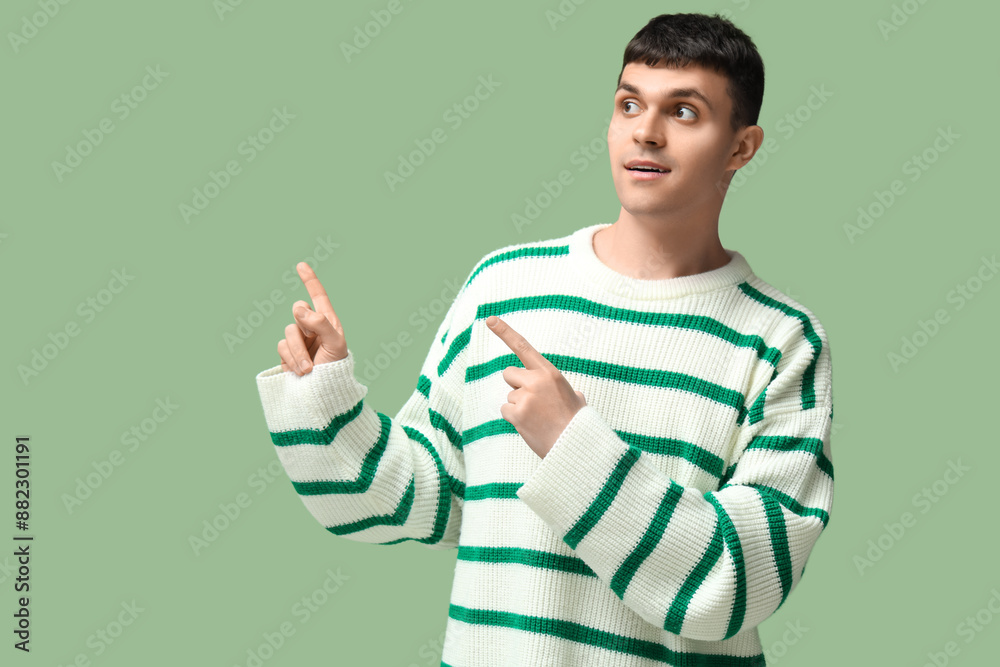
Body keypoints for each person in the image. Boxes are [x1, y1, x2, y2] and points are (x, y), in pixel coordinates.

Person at [255, 12, 834, 666]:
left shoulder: (781, 339)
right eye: (629, 103)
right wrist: (324, 400)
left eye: (684, 112)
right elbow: (423, 499)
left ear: (740, 147)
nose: (645, 131)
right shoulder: (507, 287)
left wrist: (573, 446)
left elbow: (739, 582)